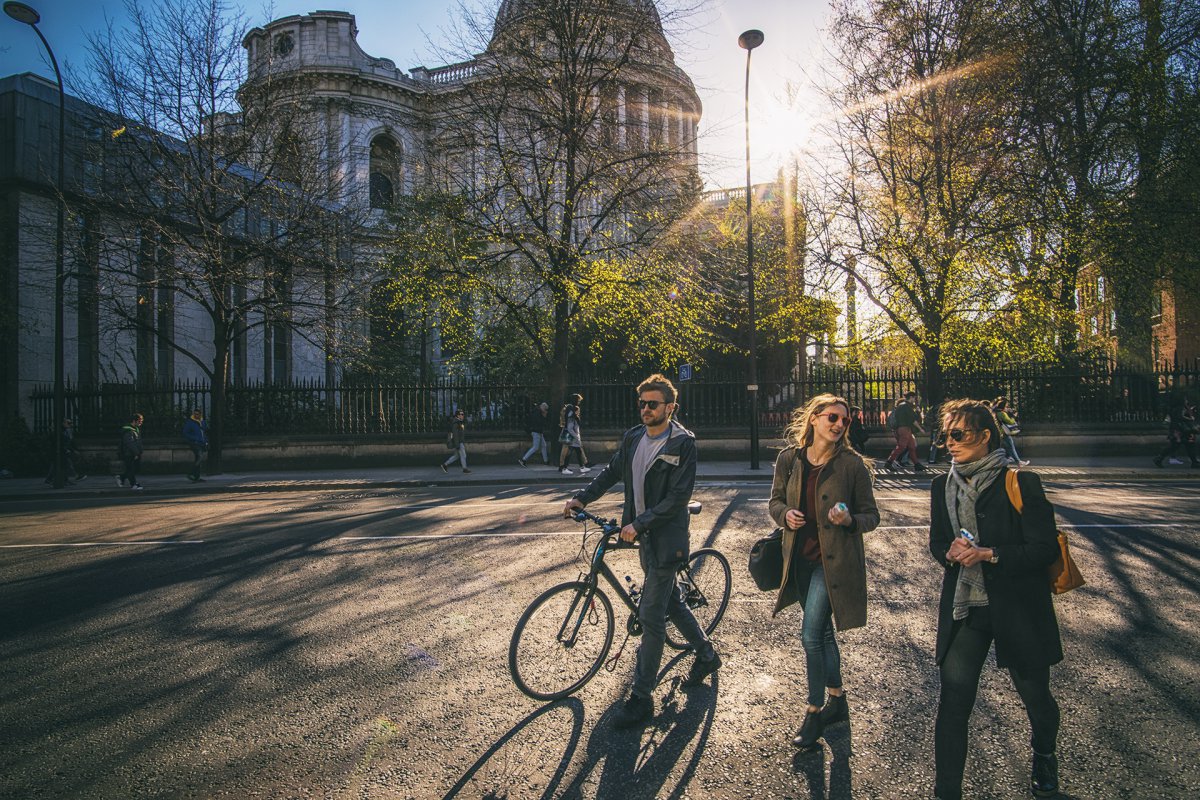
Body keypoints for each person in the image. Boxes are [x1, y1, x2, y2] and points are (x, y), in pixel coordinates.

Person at [563, 374, 720, 728]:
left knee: (651, 617)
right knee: (672, 603)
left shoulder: (682, 443)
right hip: (642, 537)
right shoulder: (634, 437)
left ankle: (641, 698)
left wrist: (641, 523)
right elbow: (610, 472)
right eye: (642, 404)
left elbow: (678, 497)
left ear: (670, 407)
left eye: (653, 404)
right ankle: (707, 654)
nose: (646, 409)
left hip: (666, 540)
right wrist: (581, 497)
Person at [929, 398, 1063, 800]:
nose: (949, 443)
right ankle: (946, 789)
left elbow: (1044, 550)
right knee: (954, 701)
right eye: (945, 435)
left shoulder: (1020, 483)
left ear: (985, 436)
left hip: (1018, 608)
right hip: (967, 606)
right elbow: (937, 543)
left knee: (1036, 698)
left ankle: (1044, 755)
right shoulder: (942, 486)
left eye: (959, 434)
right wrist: (948, 553)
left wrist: (990, 554)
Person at [768, 393, 880, 750]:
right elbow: (775, 501)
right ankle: (838, 699)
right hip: (796, 560)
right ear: (814, 419)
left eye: (844, 421)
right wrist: (784, 514)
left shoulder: (852, 465)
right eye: (832, 418)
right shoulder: (789, 458)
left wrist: (849, 520)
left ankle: (814, 711)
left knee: (810, 636)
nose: (838, 425)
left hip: (830, 565)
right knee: (822, 634)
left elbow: (871, 516)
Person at [885, 391, 928, 472]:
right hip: (904, 429)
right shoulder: (906, 406)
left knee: (911, 447)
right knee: (902, 446)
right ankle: (889, 462)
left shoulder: (901, 406)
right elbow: (913, 420)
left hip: (902, 428)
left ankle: (917, 464)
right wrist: (920, 429)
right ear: (911, 397)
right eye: (914, 398)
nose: (914, 400)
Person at [1153, 397, 1199, 468]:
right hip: (1181, 431)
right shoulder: (1181, 408)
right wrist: (1190, 418)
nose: (1187, 401)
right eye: (1185, 400)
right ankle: (1159, 458)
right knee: (1181, 446)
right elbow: (1180, 417)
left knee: (1182, 445)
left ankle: (1159, 458)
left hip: (1178, 430)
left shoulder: (1175, 408)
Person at [44, 419, 86, 485]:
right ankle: (73, 477)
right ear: (63, 423)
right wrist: (69, 450)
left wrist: (74, 449)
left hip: (63, 451)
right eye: (68, 423)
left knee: (61, 465)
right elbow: (60, 443)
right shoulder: (59, 431)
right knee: (65, 464)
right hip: (59, 451)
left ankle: (58, 479)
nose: (71, 425)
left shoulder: (68, 431)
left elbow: (70, 442)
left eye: (71, 423)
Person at [557, 394, 590, 476]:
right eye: (578, 400)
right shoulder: (572, 410)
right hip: (569, 434)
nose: (579, 402)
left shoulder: (570, 408)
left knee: (572, 450)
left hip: (569, 433)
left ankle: (582, 465)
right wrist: (576, 436)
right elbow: (570, 426)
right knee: (567, 451)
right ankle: (564, 467)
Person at [992, 396, 1029, 466]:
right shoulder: (1002, 413)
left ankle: (1008, 459)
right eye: (1006, 406)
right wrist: (1013, 416)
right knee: (1011, 447)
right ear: (1003, 407)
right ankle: (1018, 462)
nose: (1007, 408)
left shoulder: (996, 413)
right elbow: (1010, 422)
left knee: (1004, 447)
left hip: (1001, 432)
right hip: (1005, 433)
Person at [518, 401, 551, 467]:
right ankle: (523, 460)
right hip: (536, 431)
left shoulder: (537, 411)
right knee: (535, 447)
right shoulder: (538, 413)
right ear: (543, 408)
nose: (546, 411)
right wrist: (544, 416)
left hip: (538, 431)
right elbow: (539, 423)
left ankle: (546, 461)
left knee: (544, 445)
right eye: (545, 409)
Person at [118, 412, 145, 490]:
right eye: (139, 421)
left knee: (135, 469)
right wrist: (136, 453)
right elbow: (130, 443)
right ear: (134, 421)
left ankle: (121, 477)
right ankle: (134, 485)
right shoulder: (128, 430)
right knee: (130, 469)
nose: (141, 422)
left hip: (134, 452)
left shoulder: (135, 429)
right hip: (128, 453)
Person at [440, 409, 471, 474]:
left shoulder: (459, 422)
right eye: (461, 414)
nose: (463, 415)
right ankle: (465, 469)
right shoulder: (456, 423)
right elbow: (455, 435)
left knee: (456, 456)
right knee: (463, 455)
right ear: (458, 415)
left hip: (460, 441)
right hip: (459, 442)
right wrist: (457, 444)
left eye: (463, 414)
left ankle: (445, 465)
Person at [182, 408, 208, 482]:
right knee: (200, 456)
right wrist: (195, 438)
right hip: (194, 443)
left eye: (197, 414)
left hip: (201, 443)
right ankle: (191, 473)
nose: (196, 415)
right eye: (195, 414)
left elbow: (204, 433)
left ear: (200, 414)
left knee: (198, 459)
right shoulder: (190, 422)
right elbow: (185, 433)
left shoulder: (203, 422)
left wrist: (206, 441)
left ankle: (197, 477)